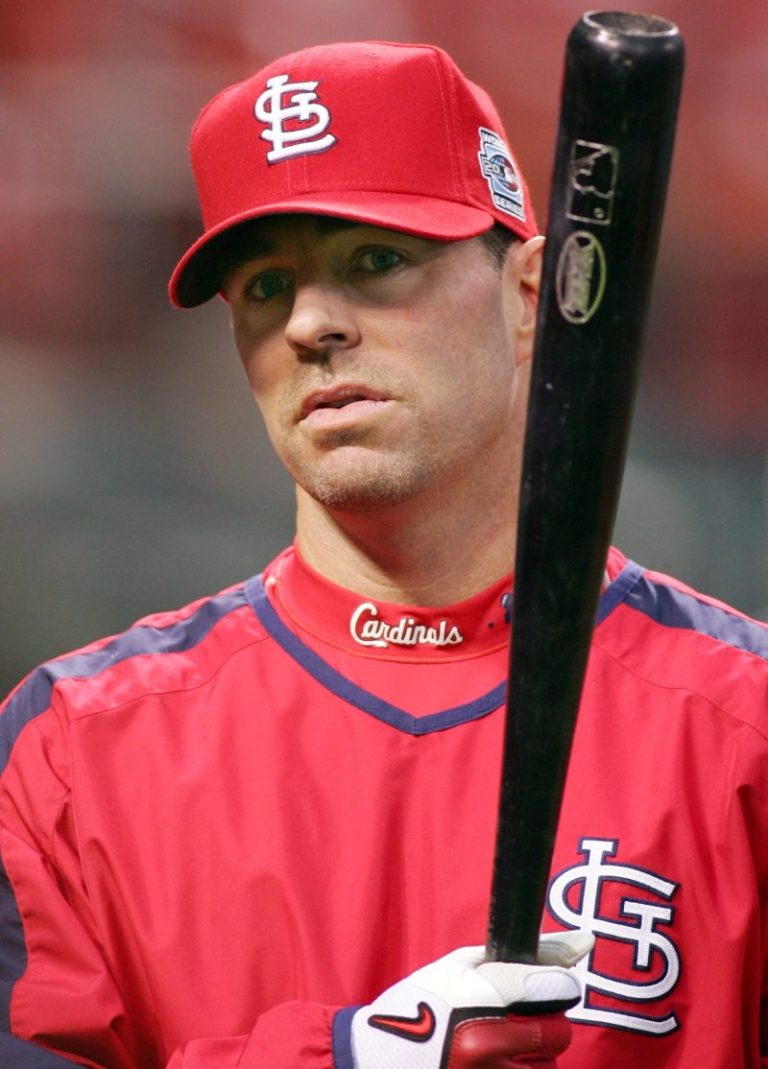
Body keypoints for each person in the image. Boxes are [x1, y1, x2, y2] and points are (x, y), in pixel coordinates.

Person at [1, 38, 766, 1069]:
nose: (311, 322)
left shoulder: (743, 731)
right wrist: (353, 1057)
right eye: (266, 286)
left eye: (376, 261)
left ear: (532, 295)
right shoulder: (69, 755)